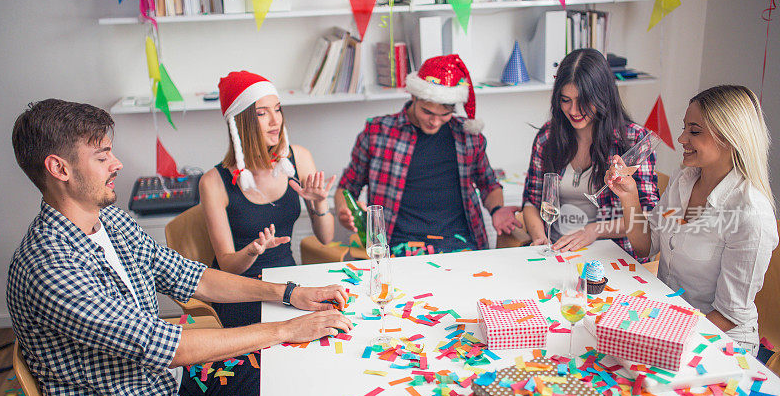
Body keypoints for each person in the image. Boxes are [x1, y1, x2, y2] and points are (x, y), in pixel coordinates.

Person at [7, 99, 353, 396]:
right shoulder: (50, 267)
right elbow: (167, 347)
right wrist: (287, 329)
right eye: (103, 156)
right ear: (59, 168)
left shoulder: (113, 222)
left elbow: (196, 278)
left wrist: (289, 293)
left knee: (294, 372)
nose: (117, 164)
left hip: (166, 392)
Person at [608, 85, 778, 355]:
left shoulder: (750, 214)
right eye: (684, 128)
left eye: (694, 131)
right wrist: (629, 196)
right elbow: (645, 246)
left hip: (717, 342)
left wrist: (665, 339)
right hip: (668, 320)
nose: (681, 138)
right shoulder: (683, 180)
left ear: (730, 138)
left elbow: (728, 315)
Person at [335, 54, 520, 254]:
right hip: (395, 245)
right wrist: (344, 212)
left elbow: (488, 185)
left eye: (444, 115)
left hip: (458, 242)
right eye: (427, 112)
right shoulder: (377, 132)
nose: (435, 121)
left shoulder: (468, 137)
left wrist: (497, 210)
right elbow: (346, 187)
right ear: (413, 96)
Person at [199, 71, 336, 327]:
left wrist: (319, 204)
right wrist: (252, 251)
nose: (276, 121)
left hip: (290, 285)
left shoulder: (299, 158)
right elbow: (228, 267)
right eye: (262, 113)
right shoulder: (213, 182)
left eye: (278, 109)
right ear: (240, 122)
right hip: (240, 294)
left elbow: (326, 238)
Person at [522, 48, 660, 258]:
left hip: (612, 255)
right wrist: (541, 238)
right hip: (557, 250)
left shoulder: (633, 140)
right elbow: (532, 202)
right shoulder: (547, 136)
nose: (574, 111)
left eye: (583, 100)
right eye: (565, 100)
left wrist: (594, 230)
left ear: (603, 95)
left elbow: (647, 215)